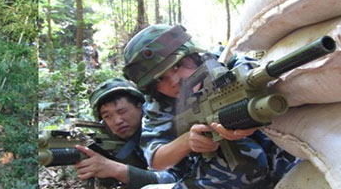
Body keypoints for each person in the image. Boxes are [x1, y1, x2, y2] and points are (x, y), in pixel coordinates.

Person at [123, 24, 299, 189]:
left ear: (193, 56)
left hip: (275, 155)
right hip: (208, 172)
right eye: (159, 79)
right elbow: (157, 160)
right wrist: (188, 141)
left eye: (177, 66)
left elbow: (252, 74)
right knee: (247, 155)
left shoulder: (224, 62)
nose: (174, 81)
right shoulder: (158, 104)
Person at [73, 78, 177, 188]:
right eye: (107, 116)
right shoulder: (108, 141)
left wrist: (116, 169)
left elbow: (177, 179)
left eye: (122, 111)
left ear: (140, 106)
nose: (117, 121)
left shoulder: (165, 127)